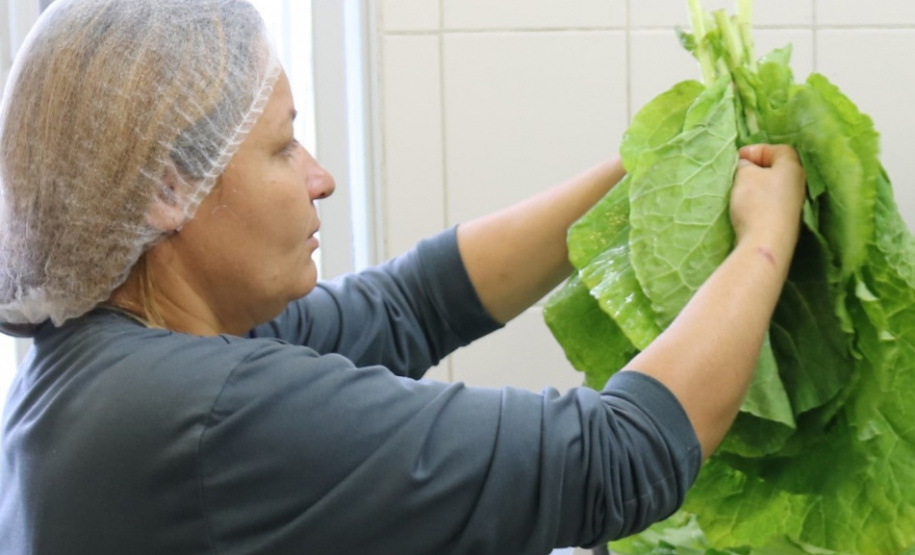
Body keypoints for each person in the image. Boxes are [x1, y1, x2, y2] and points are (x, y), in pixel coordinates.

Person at [0, 0, 807, 554]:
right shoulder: (200, 414)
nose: (320, 178)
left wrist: (653, 174)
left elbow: (412, 305)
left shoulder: (108, 354)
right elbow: (618, 454)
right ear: (167, 188)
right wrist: (762, 244)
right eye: (283, 148)